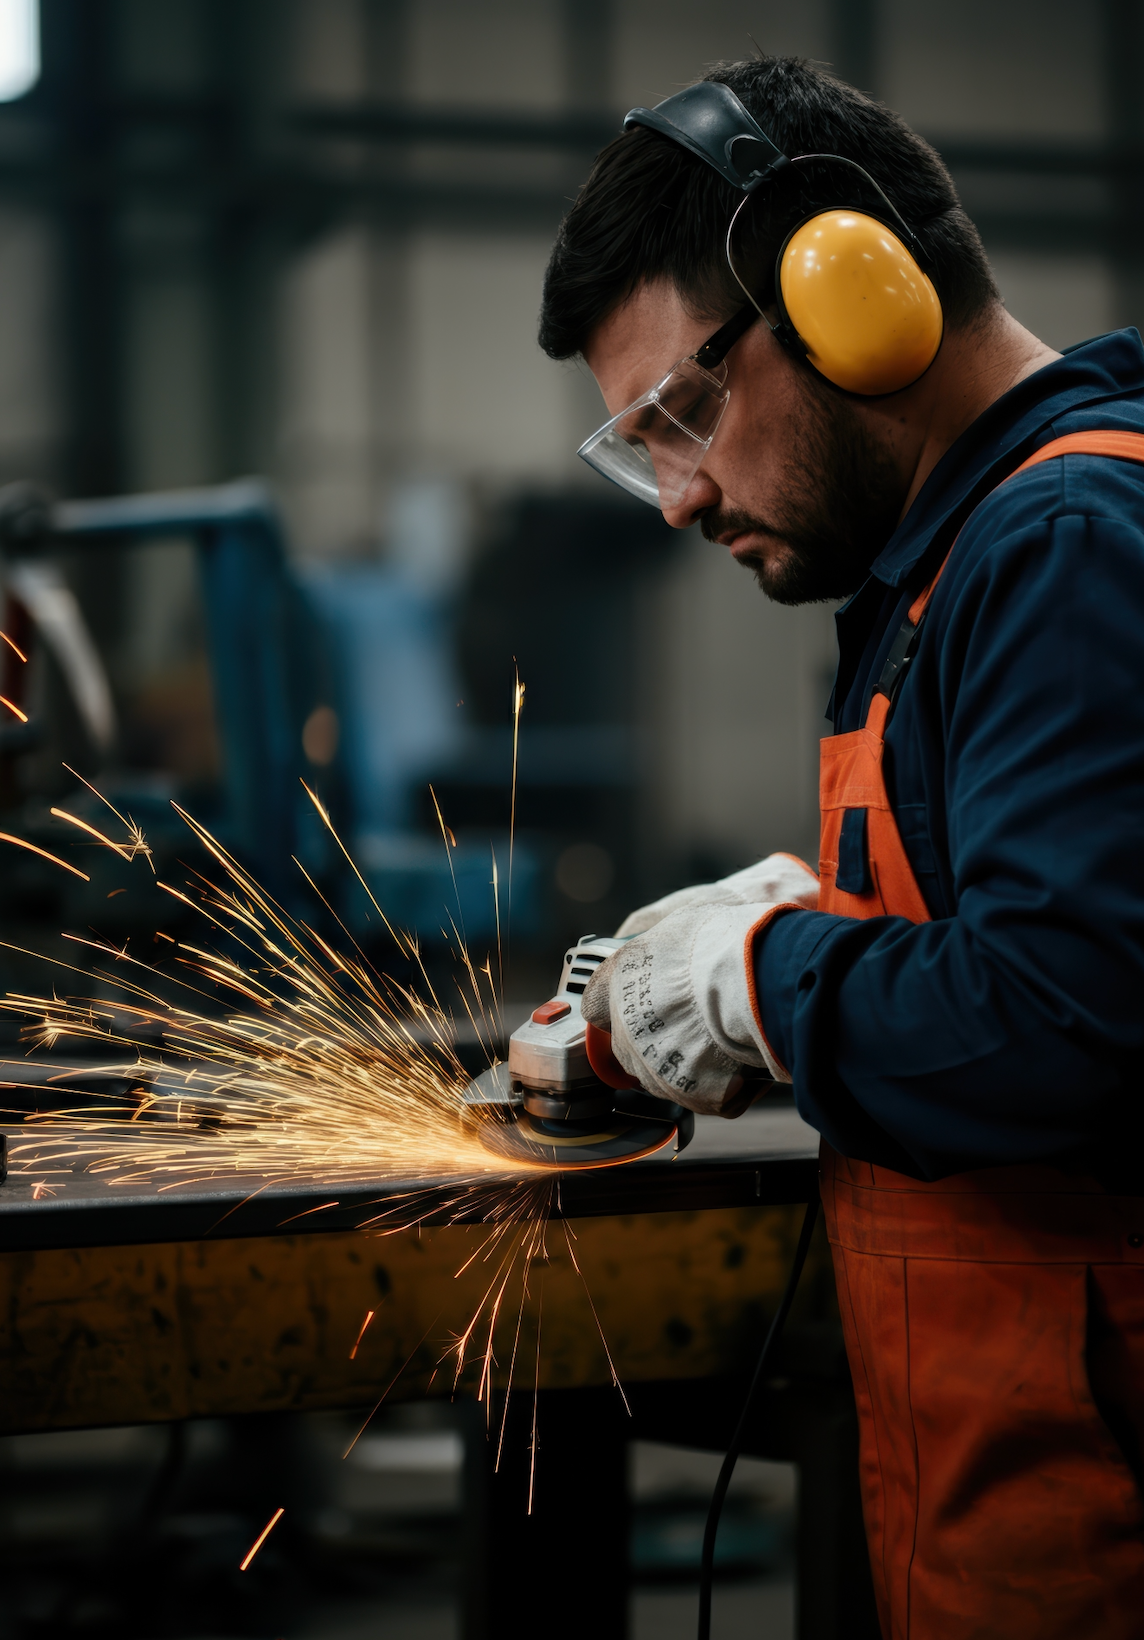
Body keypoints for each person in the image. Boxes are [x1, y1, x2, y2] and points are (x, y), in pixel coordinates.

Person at [538, 54, 1144, 1640]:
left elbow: (1062, 1021)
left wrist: (762, 979)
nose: (676, 499)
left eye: (683, 415)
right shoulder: (954, 564)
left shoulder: (1064, 544)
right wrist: (837, 937)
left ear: (844, 292)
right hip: (1017, 1500)